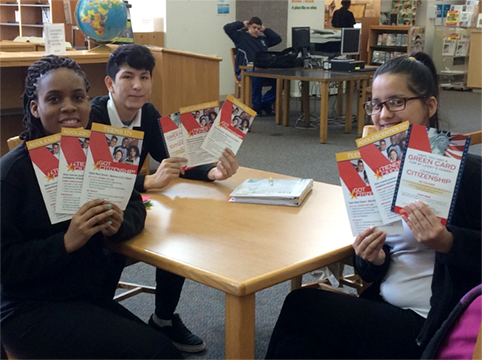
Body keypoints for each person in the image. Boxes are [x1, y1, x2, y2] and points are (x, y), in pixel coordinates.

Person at [264, 52, 482, 360]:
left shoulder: (467, 174)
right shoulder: (374, 173)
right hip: (384, 305)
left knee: (301, 305)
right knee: (299, 347)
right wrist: (371, 258)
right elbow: (371, 268)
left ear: (429, 105)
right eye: (376, 104)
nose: (383, 114)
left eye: (396, 101)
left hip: (431, 326)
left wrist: (449, 242)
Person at [0, 55, 182, 360]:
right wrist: (66, 242)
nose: (69, 107)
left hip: (83, 294)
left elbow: (135, 204)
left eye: (78, 97)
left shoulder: (98, 152)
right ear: (35, 107)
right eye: (54, 99)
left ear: (89, 101)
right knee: (159, 354)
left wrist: (119, 223)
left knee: (163, 351)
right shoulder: (12, 173)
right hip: (28, 308)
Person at [89, 44, 239, 353]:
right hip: (96, 206)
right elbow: (92, 179)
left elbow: (172, 158)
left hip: (133, 203)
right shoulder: (92, 116)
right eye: (128, 77)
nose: (137, 86)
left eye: (144, 77)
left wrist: (211, 172)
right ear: (110, 83)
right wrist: (148, 180)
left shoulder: (148, 113)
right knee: (111, 246)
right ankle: (99, 313)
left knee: (176, 233)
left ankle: (163, 319)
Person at [224, 17, 282, 116]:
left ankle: (265, 103)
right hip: (244, 71)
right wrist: (242, 24)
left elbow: (277, 39)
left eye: (259, 29)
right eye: (254, 27)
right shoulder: (240, 37)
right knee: (256, 76)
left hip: (262, 70)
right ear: (249, 27)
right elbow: (227, 28)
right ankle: (255, 107)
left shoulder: (263, 40)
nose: (256, 31)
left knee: (281, 80)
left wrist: (265, 30)